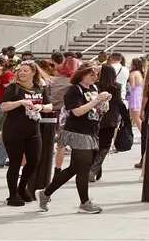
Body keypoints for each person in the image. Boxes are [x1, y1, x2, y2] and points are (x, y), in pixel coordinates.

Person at [38, 63, 112, 214]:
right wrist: (97, 100)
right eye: (91, 74)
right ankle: (84, 202)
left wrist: (104, 103)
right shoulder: (74, 90)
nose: (94, 77)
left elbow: (96, 110)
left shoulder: (93, 89)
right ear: (82, 74)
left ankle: (46, 193)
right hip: (77, 131)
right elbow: (77, 112)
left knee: (76, 168)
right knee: (83, 167)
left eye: (96, 74)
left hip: (91, 131)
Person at [0, 61, 47, 206]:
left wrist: (41, 106)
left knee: (33, 161)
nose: (22, 73)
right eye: (21, 70)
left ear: (34, 72)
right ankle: (13, 194)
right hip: (14, 131)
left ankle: (22, 187)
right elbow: (4, 106)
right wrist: (20, 102)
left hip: (33, 131)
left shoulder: (39, 88)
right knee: (15, 162)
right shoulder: (13, 88)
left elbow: (50, 105)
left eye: (26, 71)